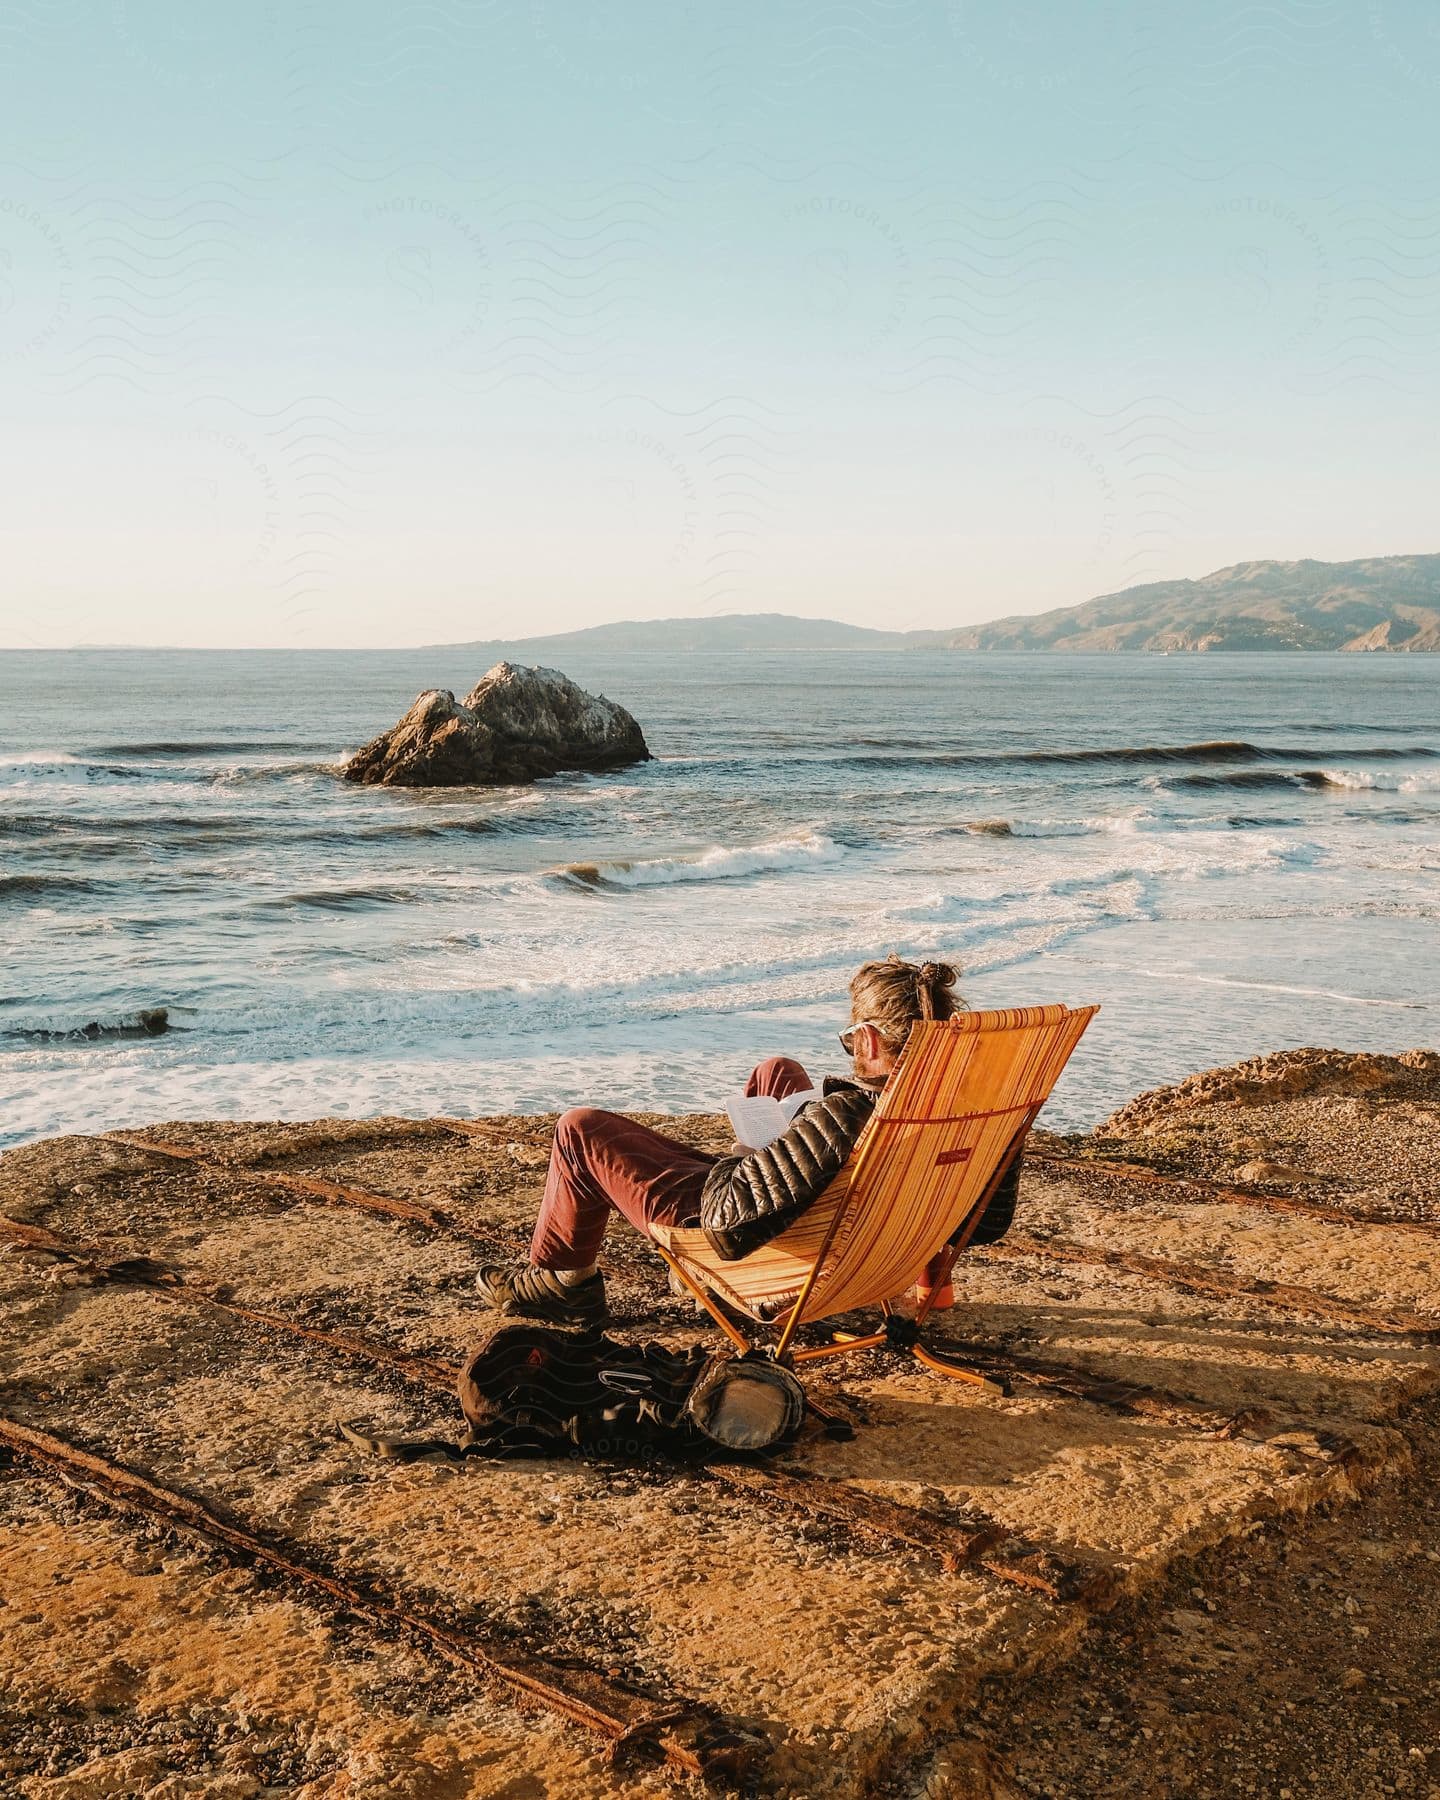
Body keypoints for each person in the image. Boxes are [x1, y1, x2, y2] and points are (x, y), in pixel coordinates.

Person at [474, 954, 1020, 1325]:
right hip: (874, 1238)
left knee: (580, 1128)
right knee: (777, 1070)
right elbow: (987, 1223)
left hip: (767, 1243)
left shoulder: (851, 1111)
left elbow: (727, 1223)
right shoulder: (977, 1109)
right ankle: (929, 1281)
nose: (850, 1046)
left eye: (851, 1037)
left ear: (872, 1038)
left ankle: (562, 1280)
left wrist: (749, 1156)